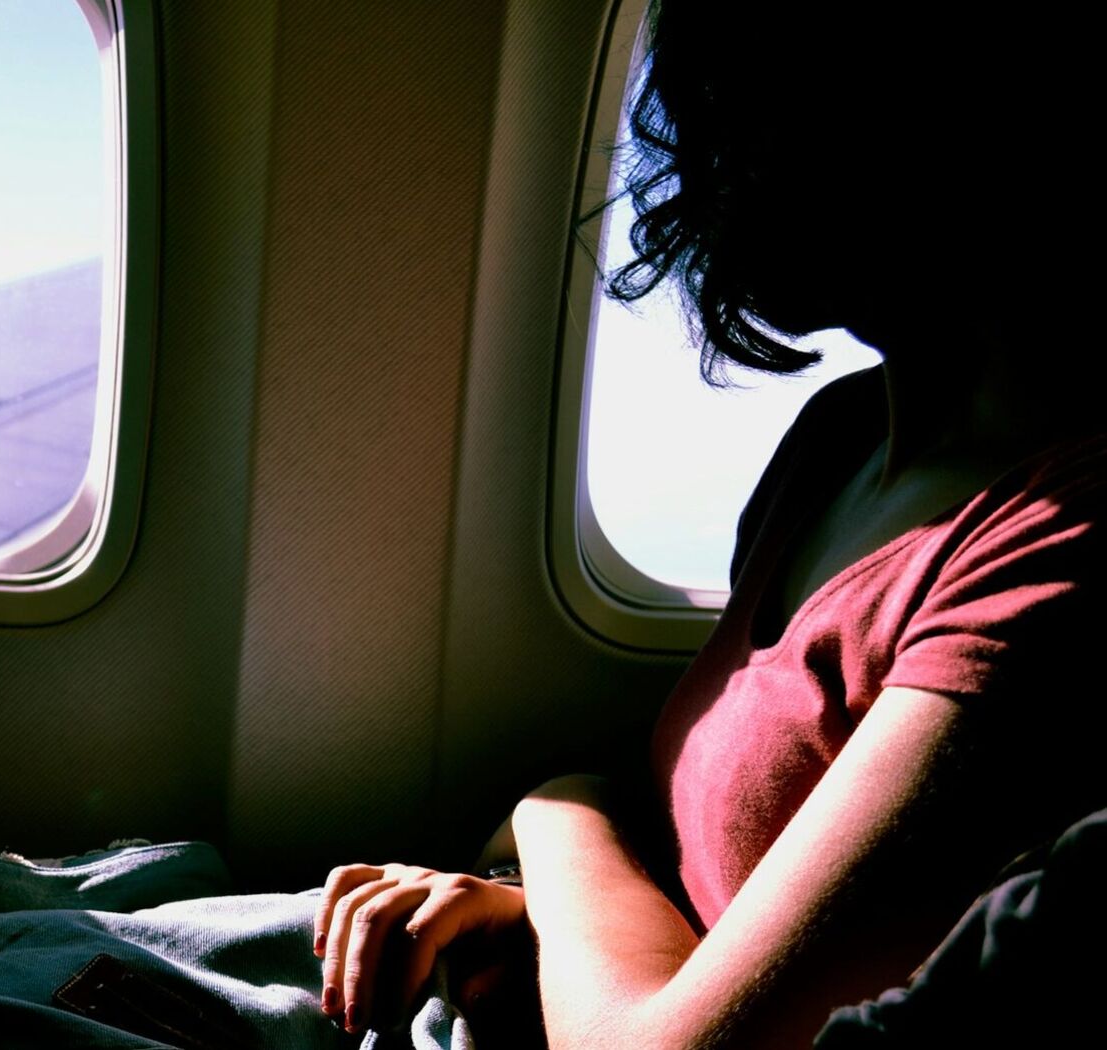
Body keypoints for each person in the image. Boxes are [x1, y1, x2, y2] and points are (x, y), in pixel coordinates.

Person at [311, 2, 1104, 1047]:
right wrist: (521, 918)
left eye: (748, 118)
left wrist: (557, 811)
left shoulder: (1063, 542)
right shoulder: (840, 441)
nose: (701, 170)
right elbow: (722, 907)